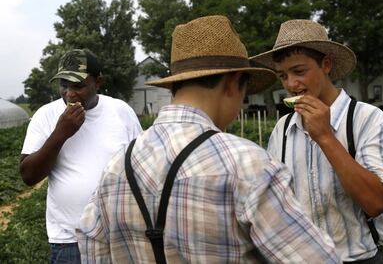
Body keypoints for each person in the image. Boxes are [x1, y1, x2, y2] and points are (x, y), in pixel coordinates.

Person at [76, 15, 339, 263]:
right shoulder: (248, 166)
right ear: (233, 83)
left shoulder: (117, 167)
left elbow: (90, 242)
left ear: (175, 86)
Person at [251, 19, 383, 263]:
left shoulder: (367, 119)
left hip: (358, 258)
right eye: (283, 76)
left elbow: (375, 203)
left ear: (326, 64)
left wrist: (325, 137)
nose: (291, 84)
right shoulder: (284, 128)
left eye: (299, 72)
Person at [20, 48, 142, 263]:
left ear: (98, 82)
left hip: (119, 235)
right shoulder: (46, 116)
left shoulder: (120, 111)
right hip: (70, 240)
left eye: (78, 86)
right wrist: (60, 135)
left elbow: (141, 163)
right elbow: (29, 175)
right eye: (64, 86)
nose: (69, 94)